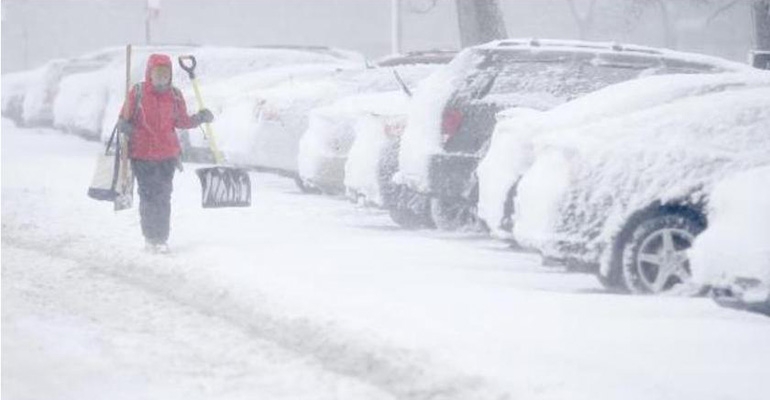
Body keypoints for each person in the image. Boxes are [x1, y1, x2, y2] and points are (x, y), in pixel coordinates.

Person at [117, 53, 213, 253]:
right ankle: (149, 237)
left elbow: (182, 121)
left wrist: (200, 118)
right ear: (149, 74)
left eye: (165, 73)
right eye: (157, 73)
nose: (161, 77)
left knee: (163, 197)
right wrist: (126, 127)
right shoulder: (138, 92)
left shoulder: (175, 95)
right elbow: (122, 119)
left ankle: (161, 239)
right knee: (148, 197)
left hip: (167, 156)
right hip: (142, 154)